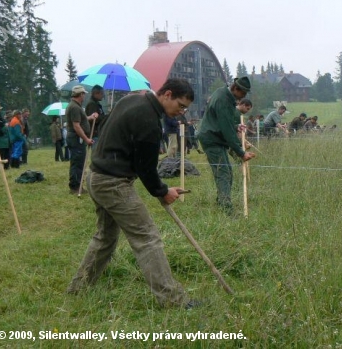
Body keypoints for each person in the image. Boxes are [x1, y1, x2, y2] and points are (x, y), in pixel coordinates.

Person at [67, 78, 199, 309]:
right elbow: (146, 168)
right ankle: (173, 301)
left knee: (105, 237)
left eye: (185, 109)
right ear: (166, 94)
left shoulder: (132, 100)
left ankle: (79, 288)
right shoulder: (149, 120)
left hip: (96, 175)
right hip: (112, 183)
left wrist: (162, 188)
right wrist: (162, 191)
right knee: (147, 237)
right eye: (180, 105)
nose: (181, 112)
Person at [197, 77, 255, 215]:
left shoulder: (223, 93)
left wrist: (235, 125)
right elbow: (227, 130)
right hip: (212, 139)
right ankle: (226, 209)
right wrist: (241, 153)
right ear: (236, 88)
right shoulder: (223, 100)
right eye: (243, 93)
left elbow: (223, 122)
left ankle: (222, 201)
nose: (244, 97)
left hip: (215, 136)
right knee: (223, 173)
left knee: (227, 172)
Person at [66, 85, 98, 194]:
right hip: (76, 138)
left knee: (78, 161)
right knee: (78, 162)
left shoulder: (76, 106)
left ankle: (77, 185)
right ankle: (75, 187)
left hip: (76, 138)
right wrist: (86, 139)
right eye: (84, 94)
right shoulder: (75, 107)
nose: (85, 96)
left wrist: (91, 117)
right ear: (81, 94)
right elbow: (76, 126)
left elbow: (82, 120)